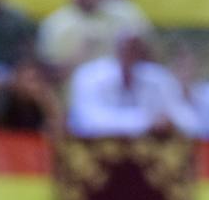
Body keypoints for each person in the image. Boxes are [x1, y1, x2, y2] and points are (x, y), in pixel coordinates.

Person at [67, 29, 199, 137]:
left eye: (137, 50)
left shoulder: (158, 78)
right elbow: (90, 122)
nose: (131, 55)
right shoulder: (89, 76)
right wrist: (147, 122)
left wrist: (172, 121)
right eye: (127, 49)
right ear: (115, 50)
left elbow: (189, 122)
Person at [37, 0, 151, 82]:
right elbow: (47, 77)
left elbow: (152, 62)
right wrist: (76, 60)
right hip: (74, 103)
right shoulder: (56, 24)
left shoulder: (127, 15)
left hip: (124, 100)